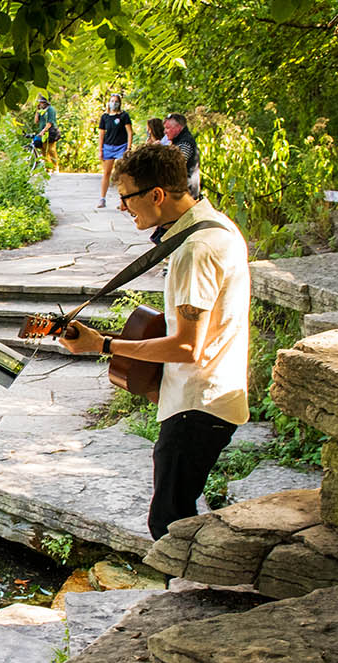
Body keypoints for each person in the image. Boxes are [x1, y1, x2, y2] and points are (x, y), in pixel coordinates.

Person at [55, 144, 249, 540]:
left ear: (156, 195)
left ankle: (183, 600)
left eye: (126, 196)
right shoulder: (214, 226)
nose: (123, 208)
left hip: (199, 403)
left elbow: (186, 347)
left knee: (169, 523)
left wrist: (104, 346)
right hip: (205, 396)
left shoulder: (195, 250)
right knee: (176, 513)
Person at [96, 93, 135, 207]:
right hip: (108, 146)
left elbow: (129, 132)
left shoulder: (124, 116)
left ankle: (123, 200)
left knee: (121, 174)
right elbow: (101, 134)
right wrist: (100, 150)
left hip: (121, 146)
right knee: (106, 173)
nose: (114, 103)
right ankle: (102, 199)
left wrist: (128, 147)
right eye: (112, 101)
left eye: (116, 101)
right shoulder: (105, 117)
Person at [164, 111, 203, 200]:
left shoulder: (185, 143)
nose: (165, 131)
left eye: (167, 128)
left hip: (186, 193)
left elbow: (175, 166)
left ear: (178, 128)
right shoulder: (179, 141)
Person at [30, 96, 59, 169]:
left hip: (51, 131)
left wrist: (43, 131)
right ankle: (48, 168)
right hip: (43, 132)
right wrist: (37, 111)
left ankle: (55, 167)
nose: (40, 104)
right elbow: (36, 121)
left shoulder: (50, 110)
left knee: (51, 149)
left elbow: (50, 122)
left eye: (42, 102)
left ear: (45, 103)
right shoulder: (41, 111)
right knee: (44, 150)